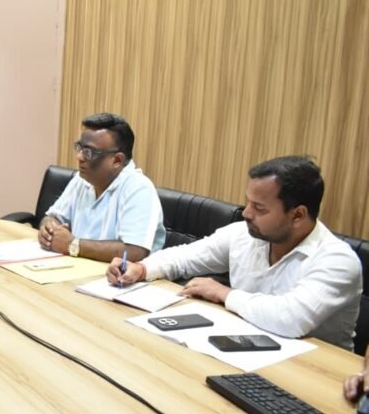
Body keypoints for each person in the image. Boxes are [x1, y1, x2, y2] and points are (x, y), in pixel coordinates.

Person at [107, 156, 362, 350]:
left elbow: (290, 319)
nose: (246, 213)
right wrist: (141, 269)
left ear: (297, 215)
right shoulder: (245, 234)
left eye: (259, 208)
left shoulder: (337, 261)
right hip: (247, 350)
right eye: (248, 202)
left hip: (315, 374)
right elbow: (184, 257)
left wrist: (224, 293)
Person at [38, 112, 165, 262]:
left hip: (116, 275)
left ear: (117, 160)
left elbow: (134, 251)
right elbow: (53, 216)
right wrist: (49, 230)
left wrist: (73, 245)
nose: (79, 157)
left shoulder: (139, 189)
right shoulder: (82, 180)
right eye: (80, 148)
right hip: (78, 266)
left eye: (89, 152)